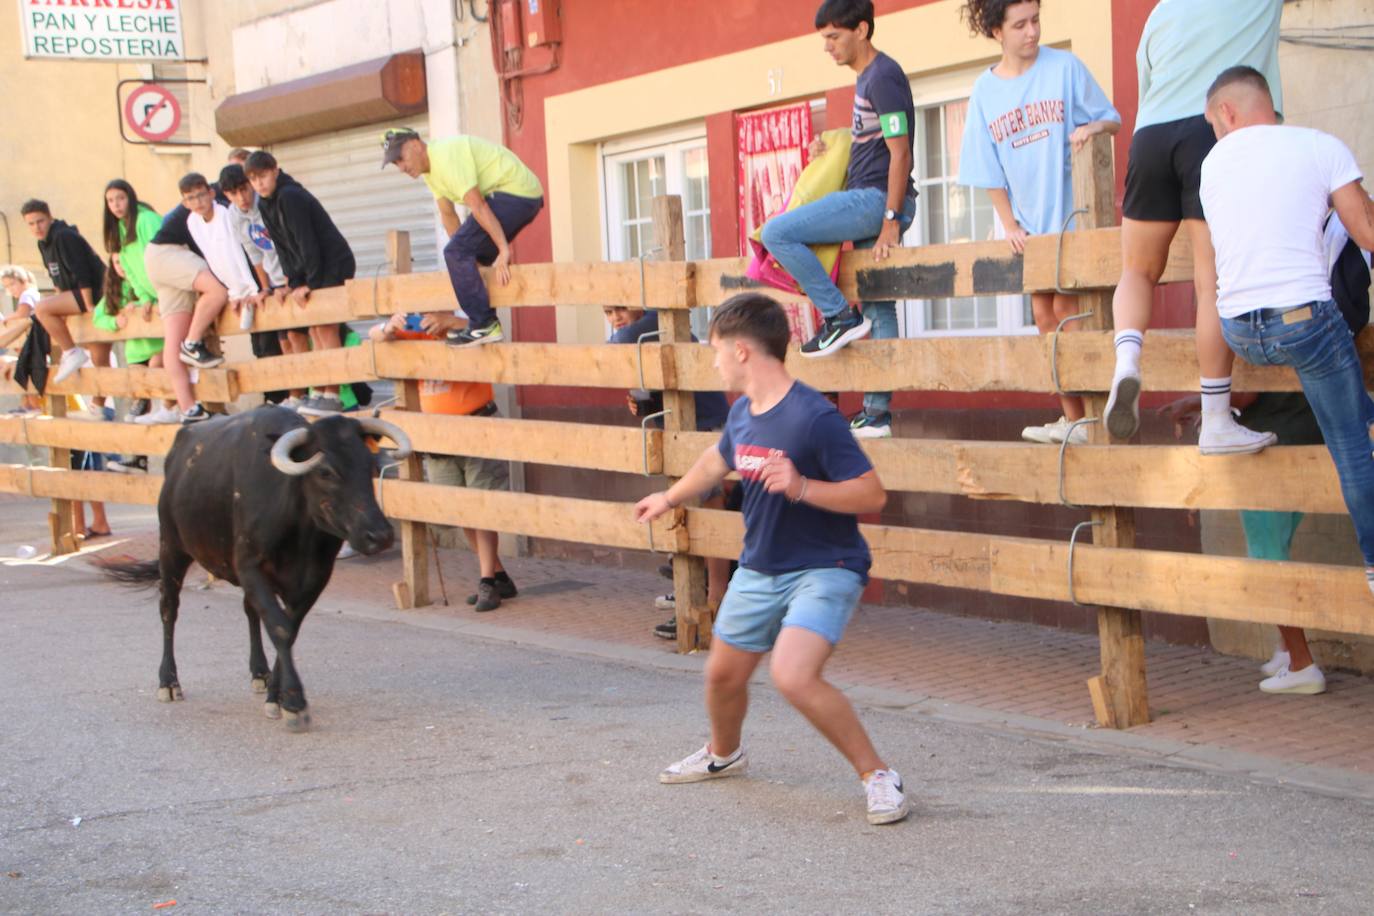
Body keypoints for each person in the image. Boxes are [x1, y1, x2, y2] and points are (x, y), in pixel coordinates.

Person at [636, 292, 908, 826]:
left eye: (715, 350)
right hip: (760, 568)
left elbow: (872, 495)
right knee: (721, 677)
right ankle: (723, 753)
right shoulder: (743, 415)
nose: (712, 362)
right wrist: (668, 498)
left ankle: (878, 775)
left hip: (824, 568)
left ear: (741, 351)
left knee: (793, 675)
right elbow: (716, 463)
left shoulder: (814, 418)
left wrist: (804, 486)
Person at [1200, 68, 1374, 624]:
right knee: (1351, 446)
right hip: (1304, 324)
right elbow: (1365, 232)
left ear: (1227, 113)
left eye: (1213, 125)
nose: (1215, 136)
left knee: (1350, 410)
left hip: (1240, 334)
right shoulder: (1320, 147)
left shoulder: (1211, 166)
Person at [1104, 0, 1285, 455]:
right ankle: (1218, 419)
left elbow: (1146, 88)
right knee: (1211, 285)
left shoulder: (1160, 13)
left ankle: (1127, 360)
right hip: (1210, 128)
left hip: (1150, 137)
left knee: (1137, 270)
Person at [957, 0, 1120, 446]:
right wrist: (1008, 223)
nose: (1031, 32)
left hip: (1072, 219)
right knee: (1045, 319)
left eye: (1036, 21)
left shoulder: (1064, 67)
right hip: (1029, 230)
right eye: (1020, 25)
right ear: (996, 31)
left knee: (1071, 315)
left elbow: (1112, 118)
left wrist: (1092, 130)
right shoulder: (984, 92)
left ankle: (1092, 419)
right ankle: (1073, 420)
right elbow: (986, 166)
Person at [757, 0, 917, 441]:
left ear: (861, 29)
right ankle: (877, 413)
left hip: (875, 200)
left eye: (834, 37)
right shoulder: (869, 78)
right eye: (823, 39)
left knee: (777, 231)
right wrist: (829, 148)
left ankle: (838, 317)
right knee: (880, 304)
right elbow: (873, 142)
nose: (827, 47)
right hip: (873, 197)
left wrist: (890, 219)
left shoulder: (883, 75)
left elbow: (901, 152)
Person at [368, 311, 518, 611]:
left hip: (476, 425)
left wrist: (454, 323)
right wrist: (388, 326)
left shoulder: (463, 326)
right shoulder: (415, 334)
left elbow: (488, 332)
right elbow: (375, 335)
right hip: (439, 436)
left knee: (481, 507)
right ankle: (497, 575)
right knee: (460, 511)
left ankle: (487, 580)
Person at [604, 305, 733, 639]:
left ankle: (715, 597)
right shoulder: (645, 332)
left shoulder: (651, 325)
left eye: (620, 308)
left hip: (701, 427)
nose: (616, 318)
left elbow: (608, 353)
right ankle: (699, 591)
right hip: (680, 426)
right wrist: (639, 402)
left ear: (638, 303)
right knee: (690, 507)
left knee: (708, 506)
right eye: (607, 312)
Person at [382, 127, 544, 348]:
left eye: (400, 158)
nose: (401, 167)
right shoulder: (431, 174)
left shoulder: (445, 157)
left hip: (517, 194)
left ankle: (484, 324)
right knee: (463, 255)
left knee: (455, 252)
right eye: (395, 164)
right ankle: (484, 324)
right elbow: (448, 215)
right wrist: (467, 260)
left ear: (415, 144)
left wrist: (503, 250)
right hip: (520, 196)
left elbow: (478, 206)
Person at [245, 150, 355, 416]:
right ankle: (319, 391)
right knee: (314, 331)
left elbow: (308, 241)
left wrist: (311, 283)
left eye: (263, 176)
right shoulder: (265, 203)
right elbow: (283, 247)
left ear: (275, 171)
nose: (259, 183)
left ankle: (334, 394)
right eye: (253, 179)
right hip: (310, 271)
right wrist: (293, 282)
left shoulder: (290, 196)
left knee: (326, 328)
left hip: (331, 264)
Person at [142, 177, 232, 424]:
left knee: (173, 339)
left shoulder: (206, 198)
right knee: (217, 291)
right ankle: (192, 344)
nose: (198, 201)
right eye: (192, 197)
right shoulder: (219, 201)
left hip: (156, 258)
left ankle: (188, 408)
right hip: (170, 253)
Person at [21, 200, 109, 393]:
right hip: (75, 294)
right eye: (31, 224)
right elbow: (57, 281)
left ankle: (70, 351)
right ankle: (99, 406)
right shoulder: (43, 243)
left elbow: (82, 273)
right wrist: (61, 307)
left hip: (95, 292)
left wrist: (88, 305)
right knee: (97, 354)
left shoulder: (63, 236)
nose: (37, 227)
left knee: (42, 308)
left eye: (40, 221)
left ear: (50, 217)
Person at [0, 265, 42, 413]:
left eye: (12, 284)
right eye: (7, 287)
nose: (11, 290)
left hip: (33, 342)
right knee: (22, 370)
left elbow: (22, 313)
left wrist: (6, 319)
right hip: (29, 343)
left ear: (23, 280)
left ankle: (33, 405)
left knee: (27, 370)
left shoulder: (27, 294)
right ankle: (27, 405)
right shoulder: (30, 294)